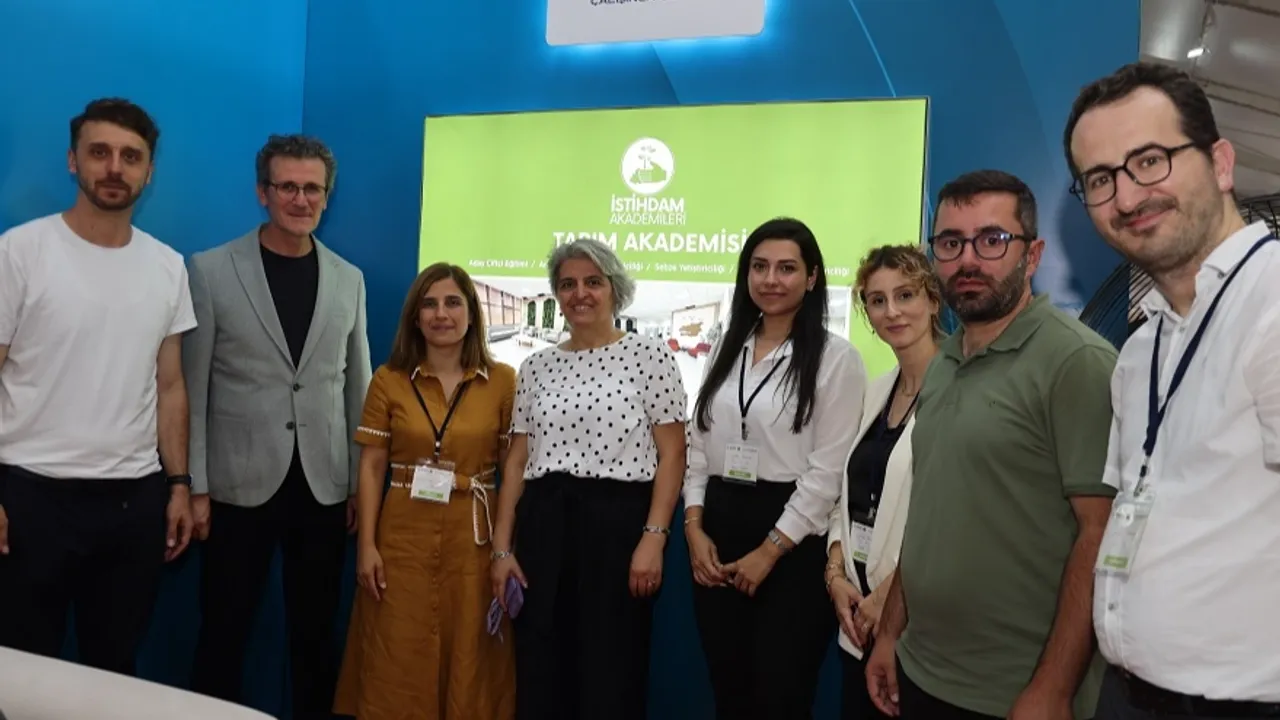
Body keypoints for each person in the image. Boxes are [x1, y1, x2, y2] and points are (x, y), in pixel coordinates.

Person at [1066, 62, 1280, 719]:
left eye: (1149, 161)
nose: (1127, 197)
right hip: (1134, 692)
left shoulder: (1271, 303)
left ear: (1221, 163)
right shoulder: (1141, 349)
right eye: (1100, 179)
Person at [864, 170, 1118, 720]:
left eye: (992, 240)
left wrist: (1052, 689)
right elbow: (927, 516)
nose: (968, 260)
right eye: (951, 243)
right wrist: (889, 634)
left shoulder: (1077, 363)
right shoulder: (944, 364)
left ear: (1033, 254)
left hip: (1013, 694)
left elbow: (1100, 538)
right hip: (919, 671)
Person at [0, 98, 195, 675]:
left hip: (133, 504)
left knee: (113, 671)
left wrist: (179, 485)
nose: (114, 168)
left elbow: (170, 386)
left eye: (131, 157)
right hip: (30, 498)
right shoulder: (20, 251)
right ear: (73, 160)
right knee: (21, 675)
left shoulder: (168, 266)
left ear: (149, 171)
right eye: (100, 152)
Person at [184, 134, 372, 718]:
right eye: (287, 186)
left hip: (324, 489)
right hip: (236, 488)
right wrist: (194, 486)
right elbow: (192, 388)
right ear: (262, 192)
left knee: (316, 637)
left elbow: (358, 389)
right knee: (223, 631)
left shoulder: (349, 278)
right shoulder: (211, 270)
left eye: (312, 188)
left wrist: (360, 486)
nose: (300, 199)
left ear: (327, 196)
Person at [489, 238, 688, 720]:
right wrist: (501, 549)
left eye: (593, 282)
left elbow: (673, 453)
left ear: (614, 289)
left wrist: (654, 537)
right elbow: (516, 462)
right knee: (541, 666)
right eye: (567, 284)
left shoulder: (650, 356)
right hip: (543, 526)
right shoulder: (535, 367)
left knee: (611, 670)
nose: (580, 293)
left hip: (617, 528)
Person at [682, 217, 867, 719]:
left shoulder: (836, 360)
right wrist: (694, 528)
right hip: (718, 531)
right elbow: (699, 446)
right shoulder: (726, 347)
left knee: (780, 696)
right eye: (759, 267)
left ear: (812, 277)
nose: (771, 279)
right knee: (729, 689)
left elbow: (826, 473)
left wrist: (769, 552)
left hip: (791, 543)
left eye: (787, 268)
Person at [333, 263, 516, 719]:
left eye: (453, 302)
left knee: (469, 652)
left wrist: (502, 550)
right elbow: (372, 465)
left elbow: (513, 469)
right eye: (429, 304)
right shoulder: (388, 380)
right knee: (398, 651)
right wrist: (367, 546)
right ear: (415, 317)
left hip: (472, 543)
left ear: (472, 313)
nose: (441, 314)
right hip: (402, 541)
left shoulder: (503, 382)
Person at [826, 244, 942, 720]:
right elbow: (846, 496)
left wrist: (889, 599)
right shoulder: (876, 390)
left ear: (933, 300)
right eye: (877, 300)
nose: (891, 311)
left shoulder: (962, 390)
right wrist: (835, 574)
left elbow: (956, 517)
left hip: (918, 624)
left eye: (905, 295)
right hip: (857, 618)